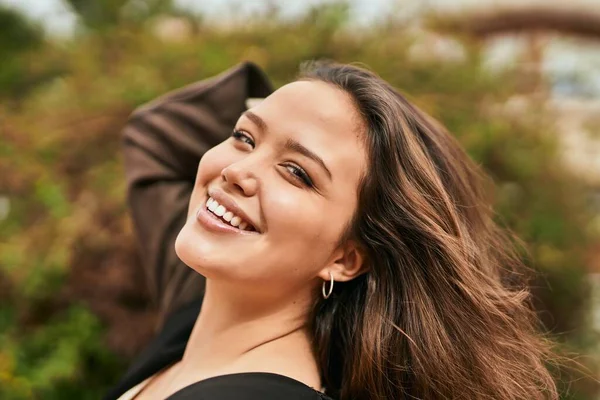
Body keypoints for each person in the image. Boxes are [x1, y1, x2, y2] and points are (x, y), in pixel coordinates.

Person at [104, 61, 558, 400]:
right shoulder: (195, 312)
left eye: (297, 173)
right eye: (244, 137)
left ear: (344, 258)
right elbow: (154, 137)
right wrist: (303, 103)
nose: (239, 170)